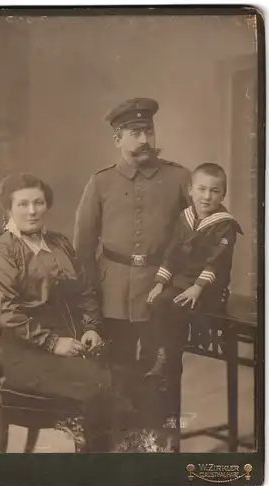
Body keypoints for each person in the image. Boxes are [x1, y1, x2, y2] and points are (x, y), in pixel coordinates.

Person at [0, 173, 122, 452]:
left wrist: (91, 326)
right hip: (25, 355)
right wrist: (54, 343)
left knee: (126, 376)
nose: (32, 211)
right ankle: (99, 473)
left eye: (38, 203)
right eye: (22, 204)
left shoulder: (59, 243)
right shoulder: (1, 253)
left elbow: (85, 290)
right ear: (8, 209)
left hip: (71, 344)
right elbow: (6, 314)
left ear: (47, 205)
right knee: (100, 385)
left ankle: (110, 467)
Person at [73, 97, 191, 418]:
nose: (144, 140)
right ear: (117, 140)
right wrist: (90, 304)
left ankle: (162, 451)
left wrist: (181, 285)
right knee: (117, 374)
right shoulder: (100, 183)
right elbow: (83, 249)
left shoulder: (179, 178)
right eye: (135, 132)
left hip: (161, 291)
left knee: (163, 374)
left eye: (148, 131)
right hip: (112, 294)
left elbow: (198, 238)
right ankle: (120, 450)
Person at [146, 162, 243, 420]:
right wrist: (159, 283)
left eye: (214, 191)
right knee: (158, 302)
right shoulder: (184, 218)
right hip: (181, 281)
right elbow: (171, 253)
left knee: (180, 306)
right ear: (190, 190)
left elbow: (217, 263)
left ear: (223, 195)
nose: (207, 196)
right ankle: (163, 356)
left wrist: (197, 289)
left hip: (209, 287)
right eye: (201, 189)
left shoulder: (224, 225)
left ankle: (171, 364)